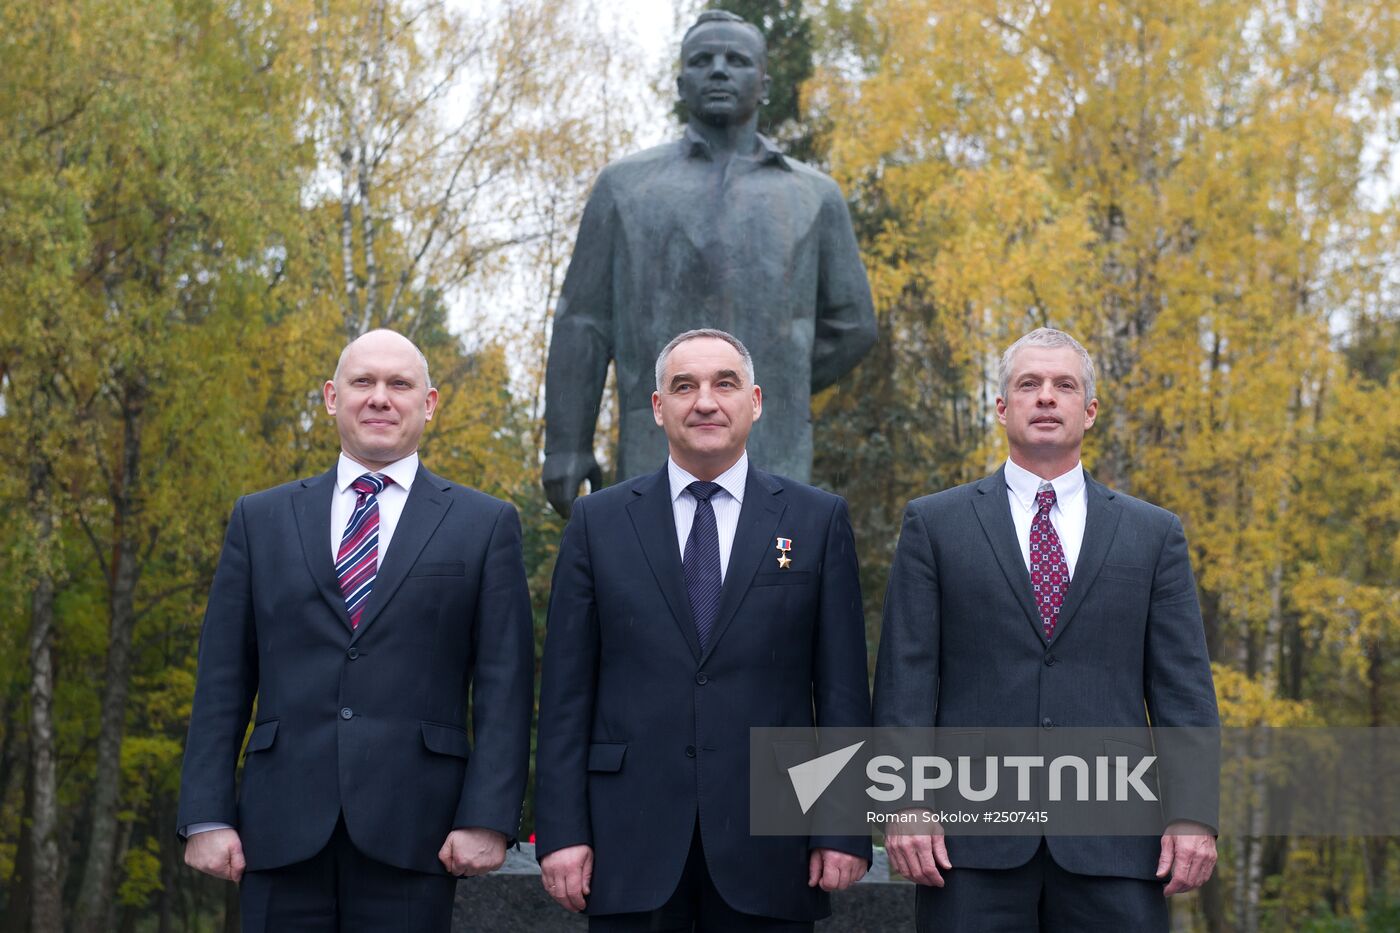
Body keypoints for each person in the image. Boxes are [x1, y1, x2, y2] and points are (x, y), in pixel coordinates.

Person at [177, 329, 534, 931]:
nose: (380, 398)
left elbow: (506, 686)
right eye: (362, 382)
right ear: (329, 397)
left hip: (420, 831)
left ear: (430, 402)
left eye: (400, 384)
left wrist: (489, 817)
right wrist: (207, 816)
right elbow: (222, 680)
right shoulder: (259, 519)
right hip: (279, 830)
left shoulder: (486, 524)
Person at [873, 328, 1220, 931]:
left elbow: (1182, 689)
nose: (1046, 397)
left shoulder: (1153, 534)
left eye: (1064, 386)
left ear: (1089, 411)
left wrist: (1192, 814)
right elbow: (906, 676)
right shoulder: (935, 524)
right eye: (1028, 384)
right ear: (1002, 407)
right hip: (968, 844)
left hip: (1114, 844)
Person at [535, 329, 872, 930]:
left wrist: (843, 825)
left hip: (772, 842)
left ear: (756, 401)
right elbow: (565, 695)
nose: (706, 401)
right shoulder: (598, 522)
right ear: (659, 407)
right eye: (684, 386)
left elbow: (843, 691)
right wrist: (560, 831)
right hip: (628, 839)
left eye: (725, 383)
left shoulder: (818, 520)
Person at [541, 10, 876, 518]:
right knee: (647, 590)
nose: (718, 70)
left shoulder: (813, 196)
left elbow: (854, 326)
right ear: (680, 83)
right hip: (650, 452)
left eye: (736, 61)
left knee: (773, 591)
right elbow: (582, 321)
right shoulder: (626, 187)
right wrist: (566, 443)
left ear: (764, 84)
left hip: (775, 452)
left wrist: (774, 381)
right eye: (702, 61)